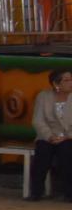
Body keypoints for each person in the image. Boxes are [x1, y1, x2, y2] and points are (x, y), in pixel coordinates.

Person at [28, 68, 72, 201]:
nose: (71, 82)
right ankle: (36, 192)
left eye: (71, 79)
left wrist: (66, 136)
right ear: (56, 84)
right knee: (42, 151)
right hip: (48, 136)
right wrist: (50, 136)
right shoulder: (43, 96)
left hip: (69, 136)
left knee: (67, 152)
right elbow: (38, 120)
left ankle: (69, 194)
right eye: (67, 80)